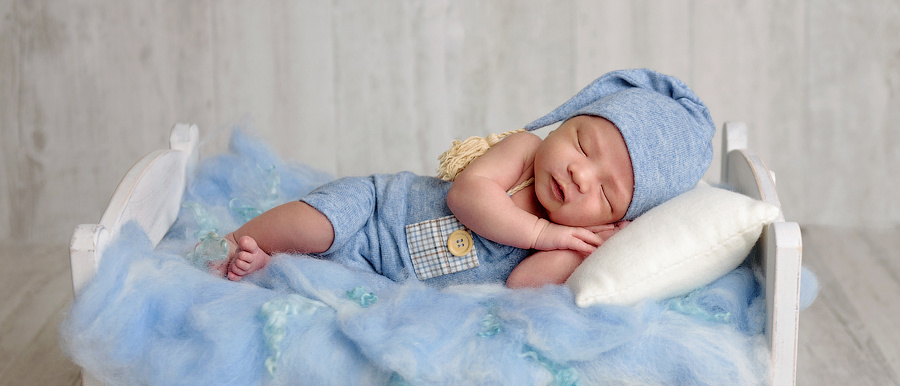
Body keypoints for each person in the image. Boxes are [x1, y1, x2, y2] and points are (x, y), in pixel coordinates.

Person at [215, 69, 714, 289]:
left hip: (382, 276)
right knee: (316, 230)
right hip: (373, 214)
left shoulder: (565, 242)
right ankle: (241, 240)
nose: (581, 176)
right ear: (566, 121)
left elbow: (523, 284)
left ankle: (262, 264)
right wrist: (543, 231)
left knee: (324, 290)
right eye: (584, 145)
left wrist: (586, 249)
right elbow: (467, 195)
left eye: (606, 194)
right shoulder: (524, 152)